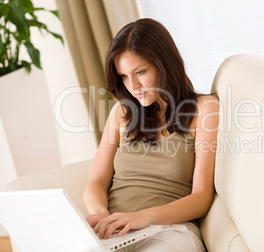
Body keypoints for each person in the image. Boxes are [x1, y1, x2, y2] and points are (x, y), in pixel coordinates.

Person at [83, 18, 219, 252]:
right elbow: (96, 181)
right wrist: (101, 216)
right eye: (124, 76)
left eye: (140, 72)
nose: (133, 86)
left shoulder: (205, 109)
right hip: (115, 231)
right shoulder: (122, 113)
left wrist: (142, 217)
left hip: (169, 231)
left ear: (164, 65)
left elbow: (201, 197)